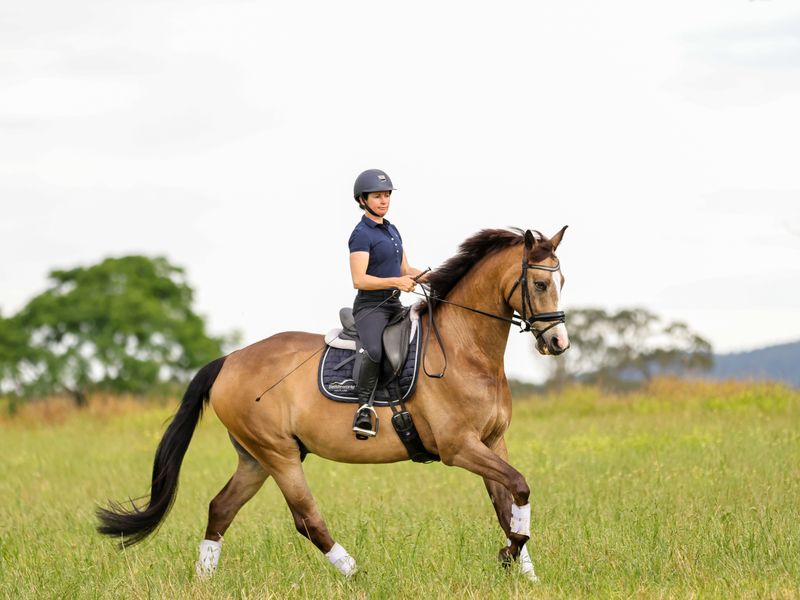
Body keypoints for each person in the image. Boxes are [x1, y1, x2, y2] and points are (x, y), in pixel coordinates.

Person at [348, 168, 423, 439]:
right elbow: (359, 279)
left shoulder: (392, 230)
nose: (384, 201)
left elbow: (405, 268)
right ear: (362, 200)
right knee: (375, 351)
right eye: (377, 196)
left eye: (387, 195)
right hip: (371, 308)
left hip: (394, 305)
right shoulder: (361, 234)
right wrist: (396, 282)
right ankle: (364, 407)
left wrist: (431, 277)